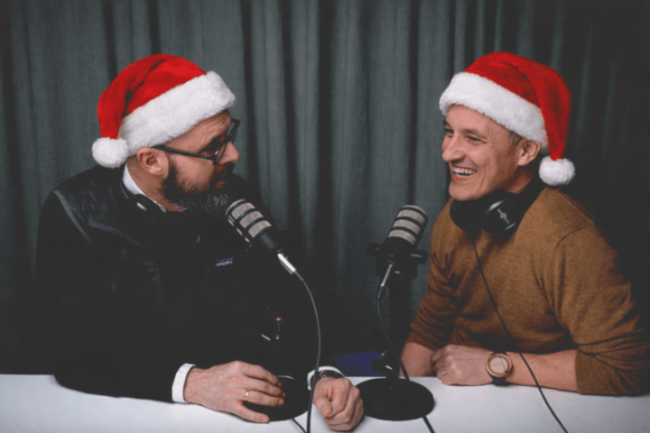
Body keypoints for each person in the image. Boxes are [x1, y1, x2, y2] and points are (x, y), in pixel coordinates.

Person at [35, 54, 363, 430]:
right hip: (131, 412)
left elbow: (289, 299)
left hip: (235, 412)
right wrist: (192, 383)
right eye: (213, 148)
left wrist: (323, 372)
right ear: (152, 160)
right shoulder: (75, 211)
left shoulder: (233, 194)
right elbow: (68, 354)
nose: (234, 155)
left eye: (229, 137)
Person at [401, 52, 650, 395]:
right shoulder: (455, 217)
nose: (449, 152)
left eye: (473, 138)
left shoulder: (571, 240)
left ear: (526, 151)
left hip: (543, 402)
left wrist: (496, 364)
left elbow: (628, 367)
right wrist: (398, 403)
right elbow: (430, 328)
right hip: (460, 393)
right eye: (449, 132)